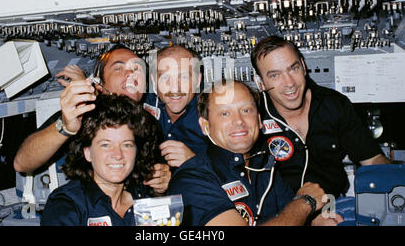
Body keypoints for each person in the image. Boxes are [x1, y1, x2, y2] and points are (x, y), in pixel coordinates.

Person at [168, 80, 342, 226]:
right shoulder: (192, 179)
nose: (238, 121)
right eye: (225, 113)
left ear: (259, 121)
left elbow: (288, 216)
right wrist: (305, 203)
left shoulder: (264, 166)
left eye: (246, 110)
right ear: (205, 126)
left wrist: (315, 221)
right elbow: (297, 208)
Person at [13, 44, 170, 194]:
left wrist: (162, 182)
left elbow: (155, 178)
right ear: (99, 84)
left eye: (137, 69)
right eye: (118, 68)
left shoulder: (150, 125)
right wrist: (65, 128)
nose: (130, 73)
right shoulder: (82, 115)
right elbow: (21, 163)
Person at [250, 36, 390, 198]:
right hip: (279, 211)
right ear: (260, 83)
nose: (289, 83)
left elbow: (372, 160)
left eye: (293, 69)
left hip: (331, 205)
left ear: (303, 66)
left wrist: (393, 180)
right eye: (275, 75)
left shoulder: (334, 104)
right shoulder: (253, 114)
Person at [41, 94, 162, 226]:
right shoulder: (66, 204)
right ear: (87, 153)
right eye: (106, 145)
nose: (118, 155)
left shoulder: (148, 202)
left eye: (127, 144)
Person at [144, 45, 208, 168]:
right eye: (165, 77)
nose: (174, 88)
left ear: (198, 80)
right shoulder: (142, 105)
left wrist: (194, 162)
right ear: (153, 80)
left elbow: (233, 169)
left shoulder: (212, 114)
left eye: (183, 77)